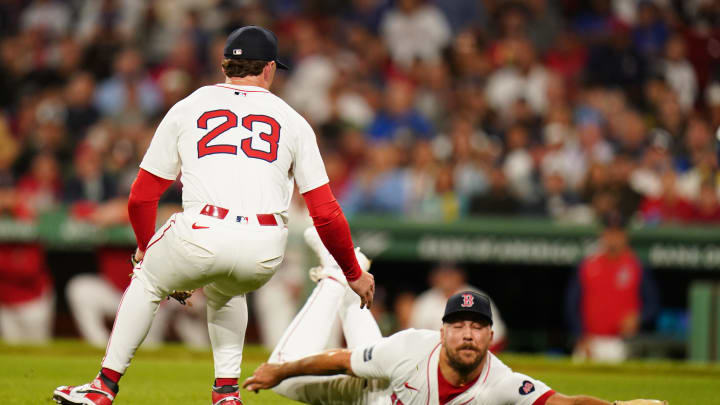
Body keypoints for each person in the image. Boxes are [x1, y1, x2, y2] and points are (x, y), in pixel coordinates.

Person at [53, 25, 375, 405]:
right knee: (228, 288)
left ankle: (104, 386)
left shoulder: (189, 105)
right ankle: (226, 393)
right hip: (265, 247)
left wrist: (146, 252)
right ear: (269, 68)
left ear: (224, 64)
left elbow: (141, 198)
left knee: (148, 279)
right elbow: (325, 212)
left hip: (202, 229)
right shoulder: (293, 120)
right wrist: (353, 273)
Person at [243, 229, 667, 405]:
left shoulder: (500, 382)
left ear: (489, 334)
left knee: (363, 331)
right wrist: (278, 372)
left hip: (383, 375)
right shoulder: (413, 345)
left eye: (476, 327)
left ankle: (349, 267)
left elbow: (563, 403)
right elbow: (338, 360)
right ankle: (339, 274)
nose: (468, 334)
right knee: (291, 379)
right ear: (443, 331)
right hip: (366, 396)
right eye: (460, 325)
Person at [566, 212, 659, 363]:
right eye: (610, 233)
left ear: (625, 236)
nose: (613, 238)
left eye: (617, 233)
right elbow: (571, 304)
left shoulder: (637, 266)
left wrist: (638, 318)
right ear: (602, 234)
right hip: (590, 342)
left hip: (622, 343)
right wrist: (580, 336)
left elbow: (653, 304)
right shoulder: (588, 264)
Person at [409, 262, 507, 351]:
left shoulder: (478, 298)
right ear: (433, 277)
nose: (446, 277)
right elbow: (413, 337)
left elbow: (498, 337)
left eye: (451, 273)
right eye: (442, 273)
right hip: (433, 358)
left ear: (461, 275)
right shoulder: (424, 301)